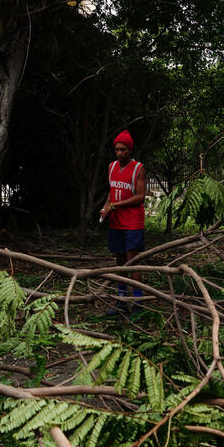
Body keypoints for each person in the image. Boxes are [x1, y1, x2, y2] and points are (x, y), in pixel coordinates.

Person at [99, 130, 146, 312]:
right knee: (119, 261)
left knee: (132, 261)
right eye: (117, 149)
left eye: (123, 149)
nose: (119, 153)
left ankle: (138, 302)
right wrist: (106, 207)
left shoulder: (138, 169)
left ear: (130, 150)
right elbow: (111, 193)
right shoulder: (111, 167)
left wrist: (115, 205)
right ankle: (121, 299)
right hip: (116, 222)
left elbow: (140, 197)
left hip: (133, 223)